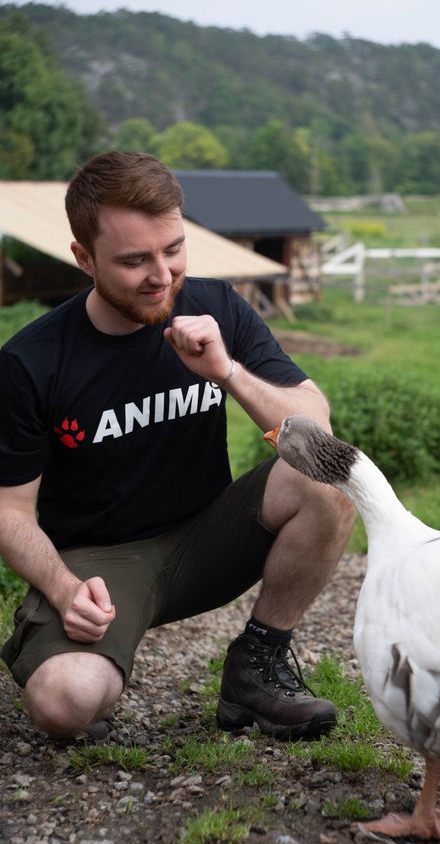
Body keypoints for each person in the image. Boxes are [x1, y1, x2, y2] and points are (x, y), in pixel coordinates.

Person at [0, 151, 355, 742]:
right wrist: (64, 590)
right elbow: (9, 511)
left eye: (173, 249)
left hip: (209, 537)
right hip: (103, 564)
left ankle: (256, 667)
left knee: (326, 473)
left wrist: (229, 374)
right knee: (64, 704)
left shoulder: (215, 307)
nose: (162, 275)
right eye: (135, 260)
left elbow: (314, 426)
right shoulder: (31, 361)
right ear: (84, 258)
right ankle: (52, 636)